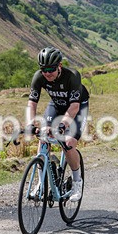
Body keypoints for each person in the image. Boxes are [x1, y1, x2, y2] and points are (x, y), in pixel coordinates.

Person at [26, 47, 89, 202]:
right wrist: (30, 123)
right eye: (44, 69)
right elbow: (32, 103)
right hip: (56, 104)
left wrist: (62, 126)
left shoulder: (72, 76)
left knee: (68, 142)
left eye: (51, 69)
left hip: (78, 106)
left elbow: (74, 108)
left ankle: (76, 182)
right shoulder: (38, 77)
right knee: (43, 137)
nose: (47, 73)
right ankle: (42, 182)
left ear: (59, 65)